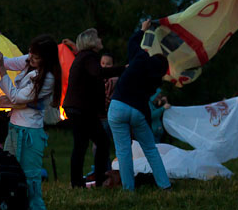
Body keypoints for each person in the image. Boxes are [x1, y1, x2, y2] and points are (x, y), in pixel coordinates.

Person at [0, 34, 59, 210]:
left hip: (30, 135)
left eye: (36, 57)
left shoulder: (47, 78)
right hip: (15, 129)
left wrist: (1, 68)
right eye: (30, 53)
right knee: (9, 181)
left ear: (46, 60)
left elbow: (16, 97)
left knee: (31, 185)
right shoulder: (29, 62)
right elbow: (12, 62)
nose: (30, 58)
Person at [107, 21, 171, 191]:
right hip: (138, 111)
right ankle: (164, 185)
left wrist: (142, 30)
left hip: (118, 105)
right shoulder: (156, 81)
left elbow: (132, 43)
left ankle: (128, 189)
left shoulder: (141, 58)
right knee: (150, 148)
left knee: (123, 151)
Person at [62, 28, 124, 187]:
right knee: (102, 141)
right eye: (97, 38)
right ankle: (99, 178)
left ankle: (78, 182)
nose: (100, 40)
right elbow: (98, 72)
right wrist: (123, 69)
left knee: (81, 144)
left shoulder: (82, 57)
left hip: (76, 107)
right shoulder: (89, 57)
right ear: (91, 42)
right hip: (81, 108)